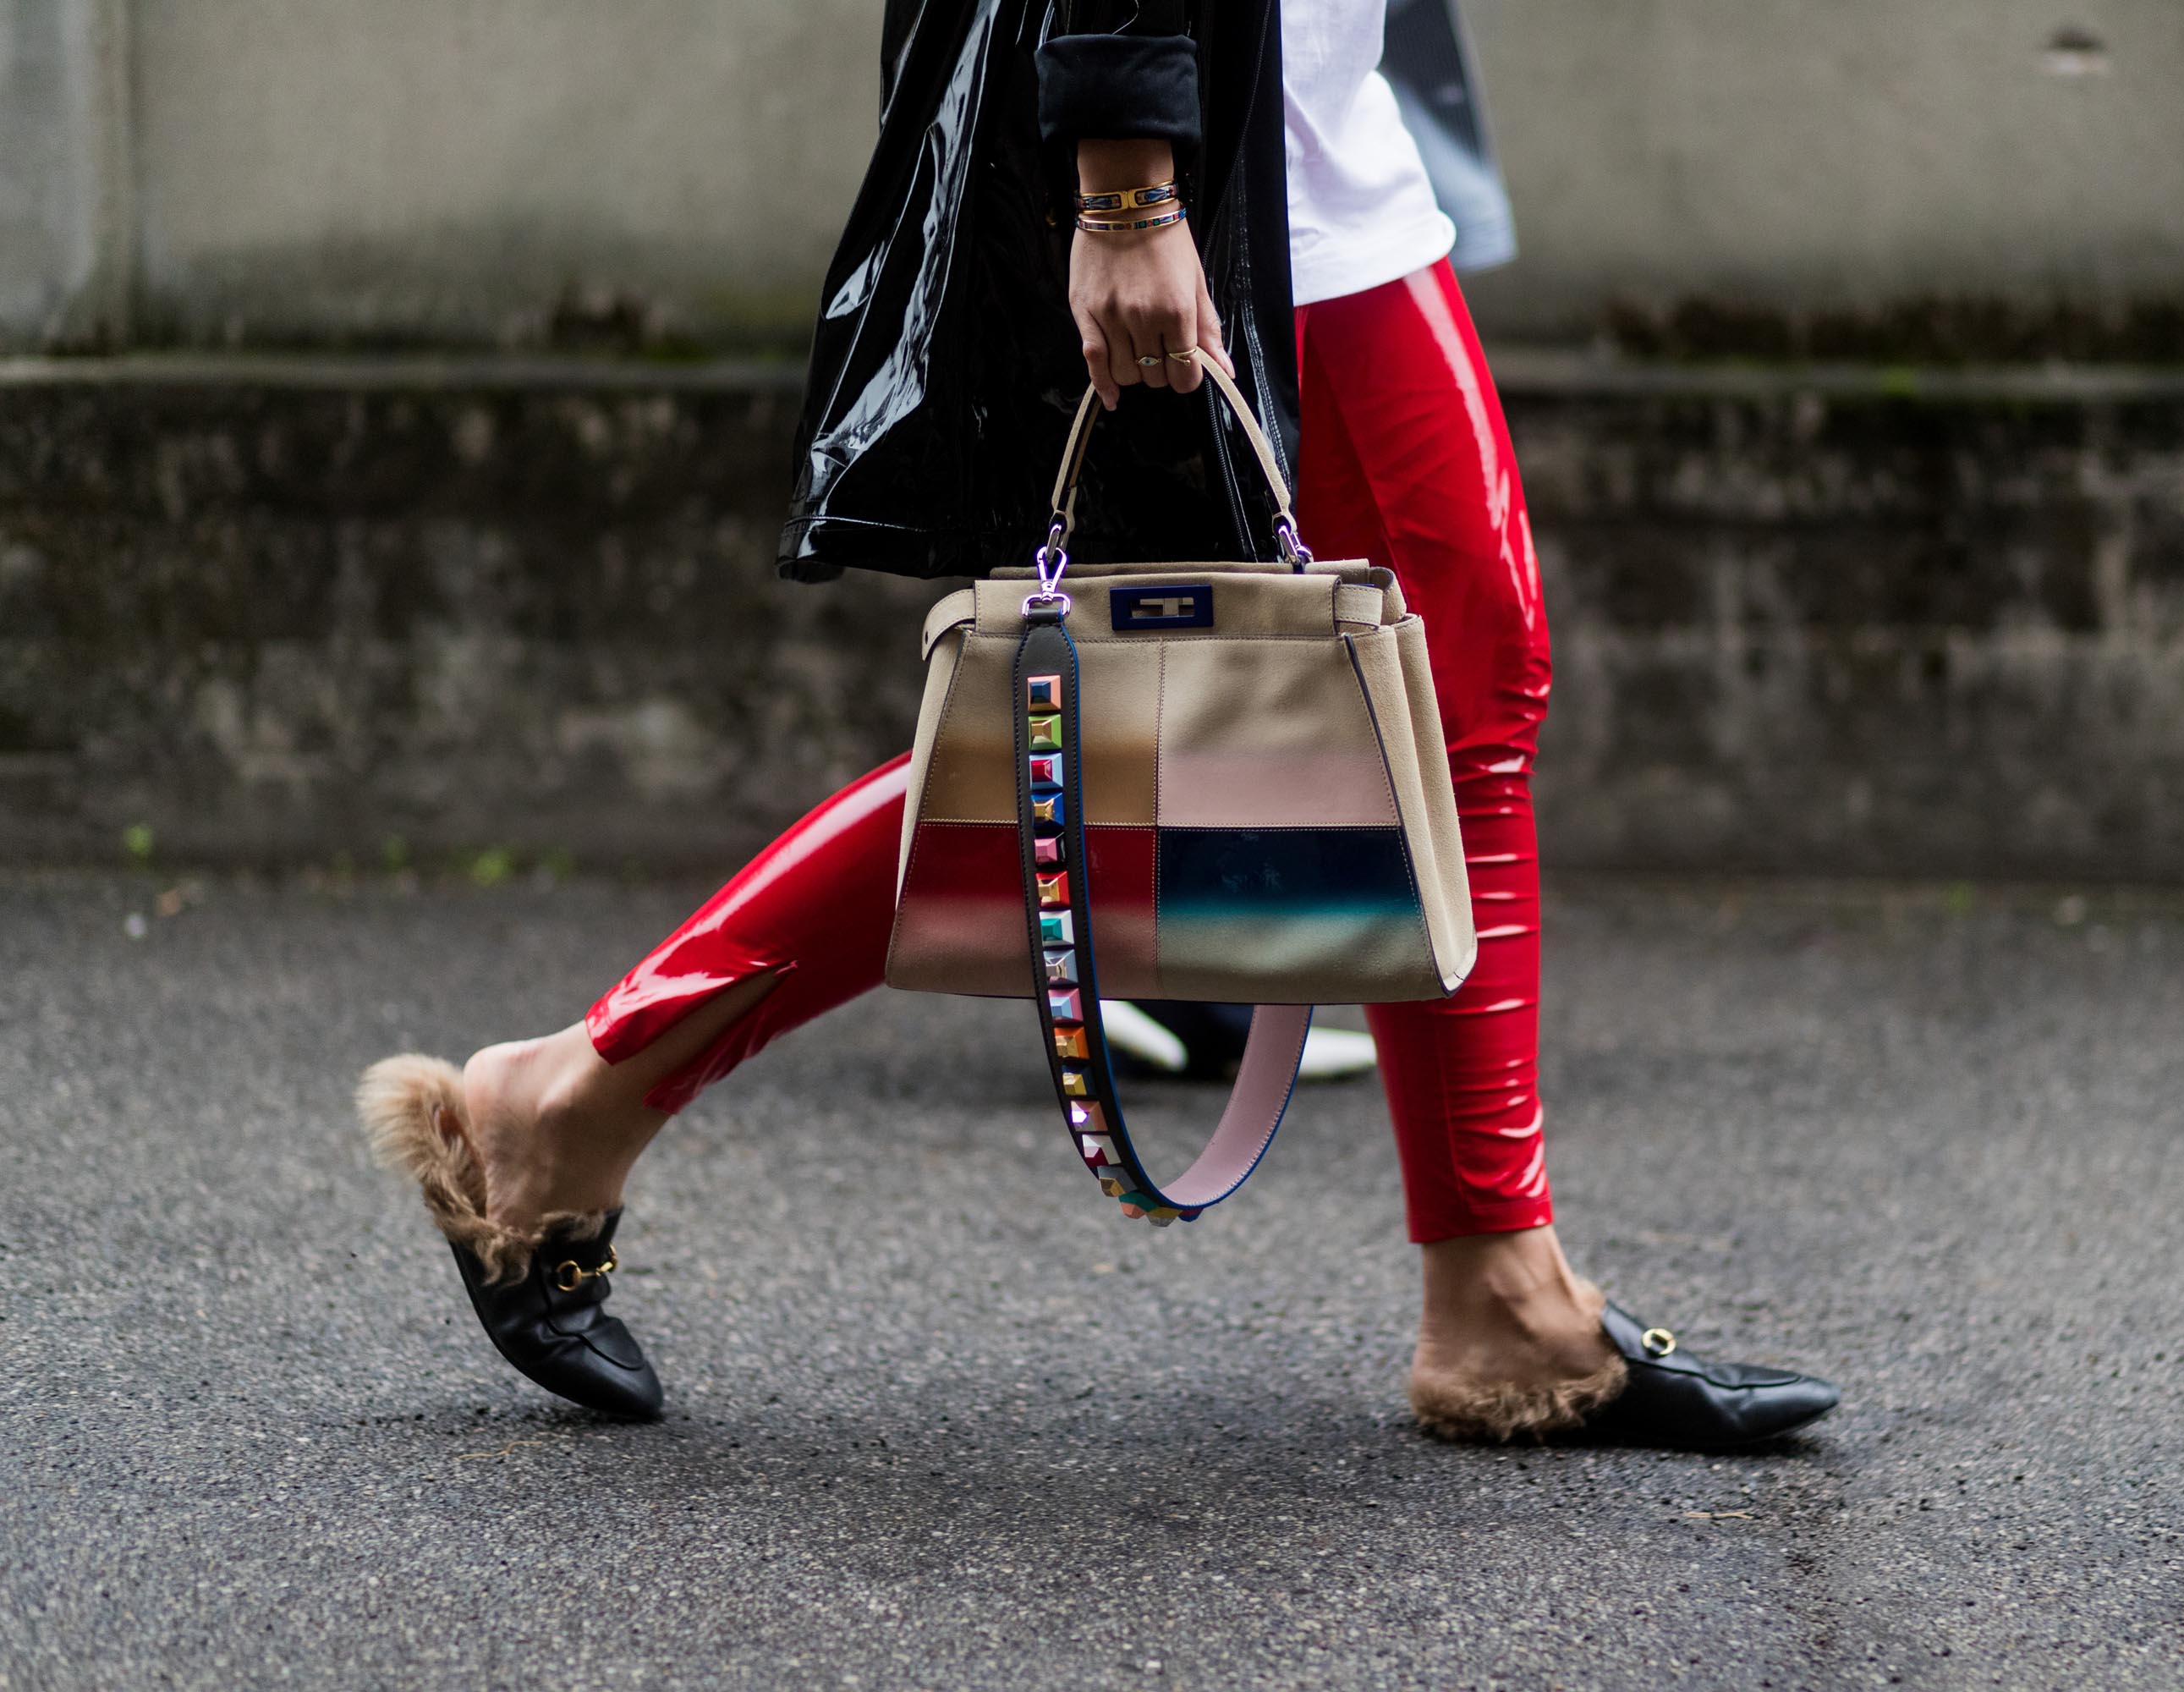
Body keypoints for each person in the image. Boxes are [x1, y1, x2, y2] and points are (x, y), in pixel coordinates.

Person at [359, 0, 1838, 1448]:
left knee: (1417, 702)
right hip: (1199, 138)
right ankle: (570, 1095)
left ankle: (1500, 1284)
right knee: (1147, 736)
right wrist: (1126, 183)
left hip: (1301, 112)